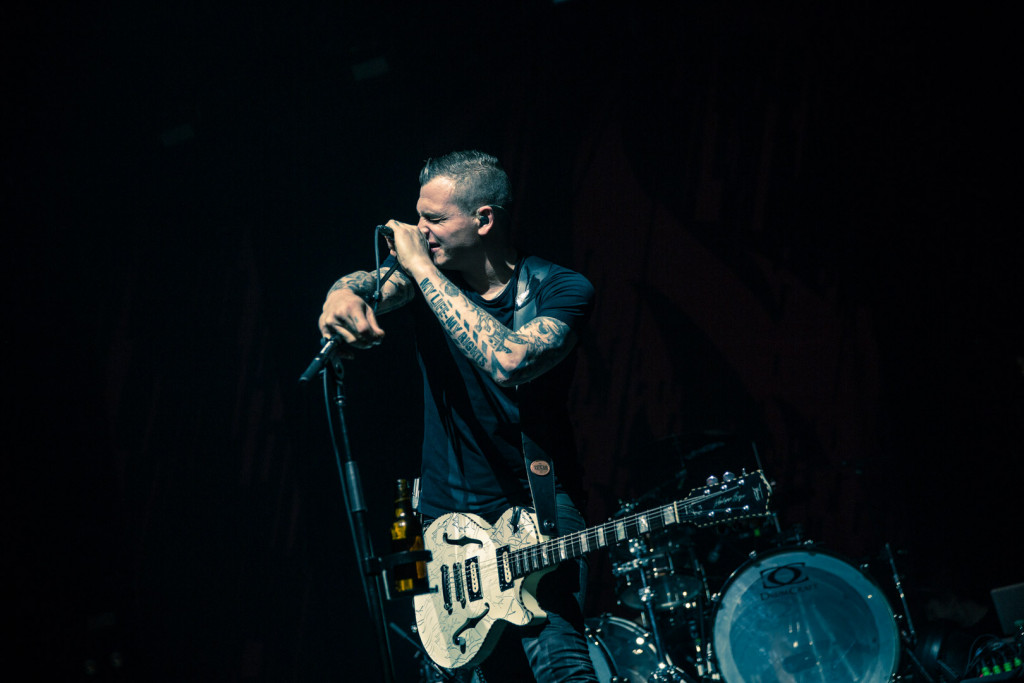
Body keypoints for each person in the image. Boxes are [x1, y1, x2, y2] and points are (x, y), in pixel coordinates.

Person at [318, 150, 597, 682]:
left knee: (560, 664)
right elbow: (370, 284)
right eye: (418, 217)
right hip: (436, 522)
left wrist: (422, 269)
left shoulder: (562, 288)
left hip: (534, 506)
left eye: (435, 219)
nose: (420, 231)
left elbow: (510, 361)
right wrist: (339, 296)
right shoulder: (424, 280)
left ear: (484, 219)